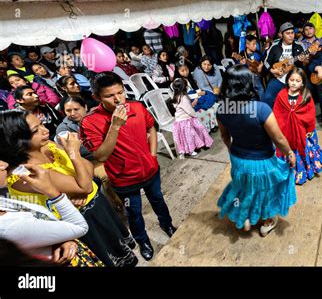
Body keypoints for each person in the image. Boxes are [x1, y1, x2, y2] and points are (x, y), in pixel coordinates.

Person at [1, 110, 137, 267]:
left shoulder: (47, 145)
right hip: (84, 220)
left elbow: (89, 168)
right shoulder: (26, 173)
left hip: (98, 204)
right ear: (16, 141)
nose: (45, 131)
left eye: (42, 125)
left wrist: (77, 164)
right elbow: (85, 185)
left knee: (122, 249)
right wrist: (73, 154)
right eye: (35, 130)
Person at [79, 72, 176, 261]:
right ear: (96, 97)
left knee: (158, 200)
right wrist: (114, 126)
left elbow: (151, 128)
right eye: (109, 96)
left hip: (150, 170)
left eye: (120, 93)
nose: (117, 99)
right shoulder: (90, 122)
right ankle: (143, 242)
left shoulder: (137, 107)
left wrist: (153, 154)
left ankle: (167, 225)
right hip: (124, 179)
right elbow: (101, 155)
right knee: (134, 212)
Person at [216, 65, 297, 236]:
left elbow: (224, 136)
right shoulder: (261, 109)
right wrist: (290, 153)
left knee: (244, 188)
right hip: (262, 162)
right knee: (265, 192)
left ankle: (245, 216)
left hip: (238, 158)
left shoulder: (222, 109)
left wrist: (234, 151)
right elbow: (279, 139)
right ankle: (266, 223)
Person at [0, 161, 102, 266]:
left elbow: (43, 217)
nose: (4, 165)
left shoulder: (2, 201)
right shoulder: (5, 227)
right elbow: (79, 227)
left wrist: (61, 238)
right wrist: (51, 190)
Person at [273, 68, 322, 185]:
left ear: (302, 83)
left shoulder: (306, 96)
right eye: (291, 80)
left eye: (297, 81)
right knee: (287, 150)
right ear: (287, 80)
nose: (294, 83)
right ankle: (287, 172)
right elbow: (277, 113)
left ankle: (301, 172)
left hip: (302, 132)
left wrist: (310, 130)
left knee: (302, 151)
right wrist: (277, 130)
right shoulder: (281, 95)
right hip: (286, 131)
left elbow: (310, 115)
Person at [262, 22, 305, 107]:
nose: (291, 36)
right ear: (281, 34)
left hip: (294, 79)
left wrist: (303, 61)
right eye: (287, 33)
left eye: (292, 33)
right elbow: (266, 62)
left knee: (293, 104)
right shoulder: (275, 47)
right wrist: (272, 70)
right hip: (278, 78)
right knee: (267, 98)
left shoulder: (299, 46)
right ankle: (268, 118)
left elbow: (304, 64)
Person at [171, 78, 213, 159]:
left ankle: (200, 144)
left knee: (192, 134)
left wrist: (194, 103)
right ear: (183, 88)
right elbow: (189, 110)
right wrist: (195, 115)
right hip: (185, 120)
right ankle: (191, 150)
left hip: (183, 119)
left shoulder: (177, 96)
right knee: (191, 135)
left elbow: (186, 107)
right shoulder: (183, 98)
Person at [174, 63, 218, 132]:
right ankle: (204, 105)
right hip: (189, 98)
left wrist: (200, 92)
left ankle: (205, 104)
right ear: (178, 72)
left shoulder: (189, 77)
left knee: (210, 93)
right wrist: (197, 95)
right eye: (182, 71)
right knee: (206, 97)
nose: (185, 72)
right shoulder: (178, 82)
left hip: (196, 94)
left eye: (186, 69)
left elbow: (196, 88)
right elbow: (183, 96)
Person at [233, 34, 265, 99]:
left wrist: (261, 66)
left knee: (261, 90)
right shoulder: (242, 54)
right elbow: (237, 67)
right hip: (247, 78)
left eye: (256, 44)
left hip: (257, 76)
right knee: (251, 93)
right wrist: (241, 64)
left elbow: (262, 62)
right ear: (247, 45)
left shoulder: (258, 53)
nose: (255, 46)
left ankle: (263, 104)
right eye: (253, 44)